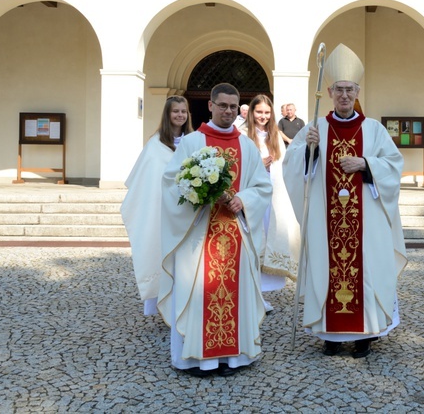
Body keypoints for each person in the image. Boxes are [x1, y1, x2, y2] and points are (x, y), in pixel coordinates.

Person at [283, 43, 407, 359]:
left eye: (349, 90)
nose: (344, 95)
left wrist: (366, 164)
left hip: (367, 222)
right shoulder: (315, 128)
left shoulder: (374, 130)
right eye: (338, 89)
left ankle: (365, 334)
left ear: (357, 91)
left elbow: (393, 165)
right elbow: (293, 168)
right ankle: (331, 336)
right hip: (326, 222)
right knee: (328, 267)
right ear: (329, 91)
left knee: (366, 270)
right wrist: (307, 151)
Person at [158, 83, 272, 377]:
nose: (228, 111)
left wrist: (242, 199)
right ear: (210, 106)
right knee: (197, 291)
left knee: (235, 293)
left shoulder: (247, 145)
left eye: (233, 107)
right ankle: (198, 360)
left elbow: (262, 186)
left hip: (235, 231)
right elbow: (172, 183)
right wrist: (201, 195)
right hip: (198, 234)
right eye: (222, 105)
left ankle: (232, 359)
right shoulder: (192, 143)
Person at [120, 95, 193, 316]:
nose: (180, 115)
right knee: (163, 254)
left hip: (188, 211)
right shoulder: (156, 144)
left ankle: (187, 303)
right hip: (161, 211)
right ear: (167, 114)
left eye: (183, 111)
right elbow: (147, 178)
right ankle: (165, 305)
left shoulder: (193, 140)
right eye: (175, 111)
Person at [245, 94, 300, 312]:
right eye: (259, 112)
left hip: (272, 198)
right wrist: (258, 165)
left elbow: (284, 165)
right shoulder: (242, 135)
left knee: (266, 243)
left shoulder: (275, 135)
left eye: (267, 112)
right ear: (251, 112)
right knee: (252, 244)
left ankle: (258, 295)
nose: (263, 116)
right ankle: (251, 295)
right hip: (251, 198)